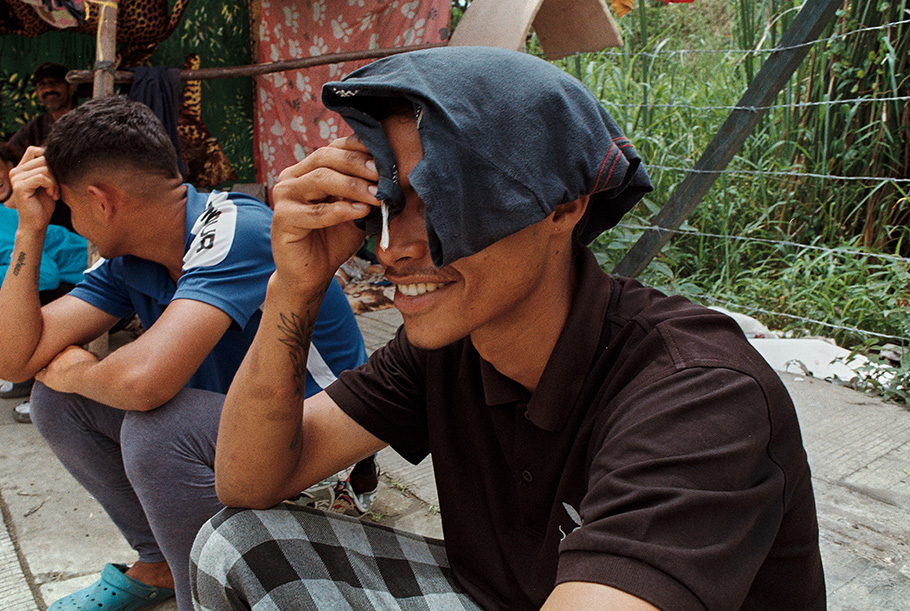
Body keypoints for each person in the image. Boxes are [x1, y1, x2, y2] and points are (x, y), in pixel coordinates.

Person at [191, 47, 825, 611]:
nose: (393, 250)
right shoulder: (449, 345)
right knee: (242, 543)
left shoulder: (700, 396)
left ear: (564, 205)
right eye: (385, 206)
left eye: (441, 200)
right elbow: (251, 480)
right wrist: (292, 290)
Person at [0, 95, 374, 611]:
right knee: (58, 404)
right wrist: (29, 228)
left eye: (64, 208)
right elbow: (12, 359)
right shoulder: (134, 258)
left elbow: (144, 382)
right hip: (235, 442)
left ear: (100, 201)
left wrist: (84, 371)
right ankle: (161, 568)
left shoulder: (234, 229)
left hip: (326, 466)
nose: (69, 222)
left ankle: (210, 597)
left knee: (155, 427)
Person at [5, 62, 76, 232]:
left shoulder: (84, 120)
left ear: (71, 88)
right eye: (42, 85)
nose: (48, 89)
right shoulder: (36, 126)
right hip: (51, 202)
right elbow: (9, 151)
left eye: (54, 83)